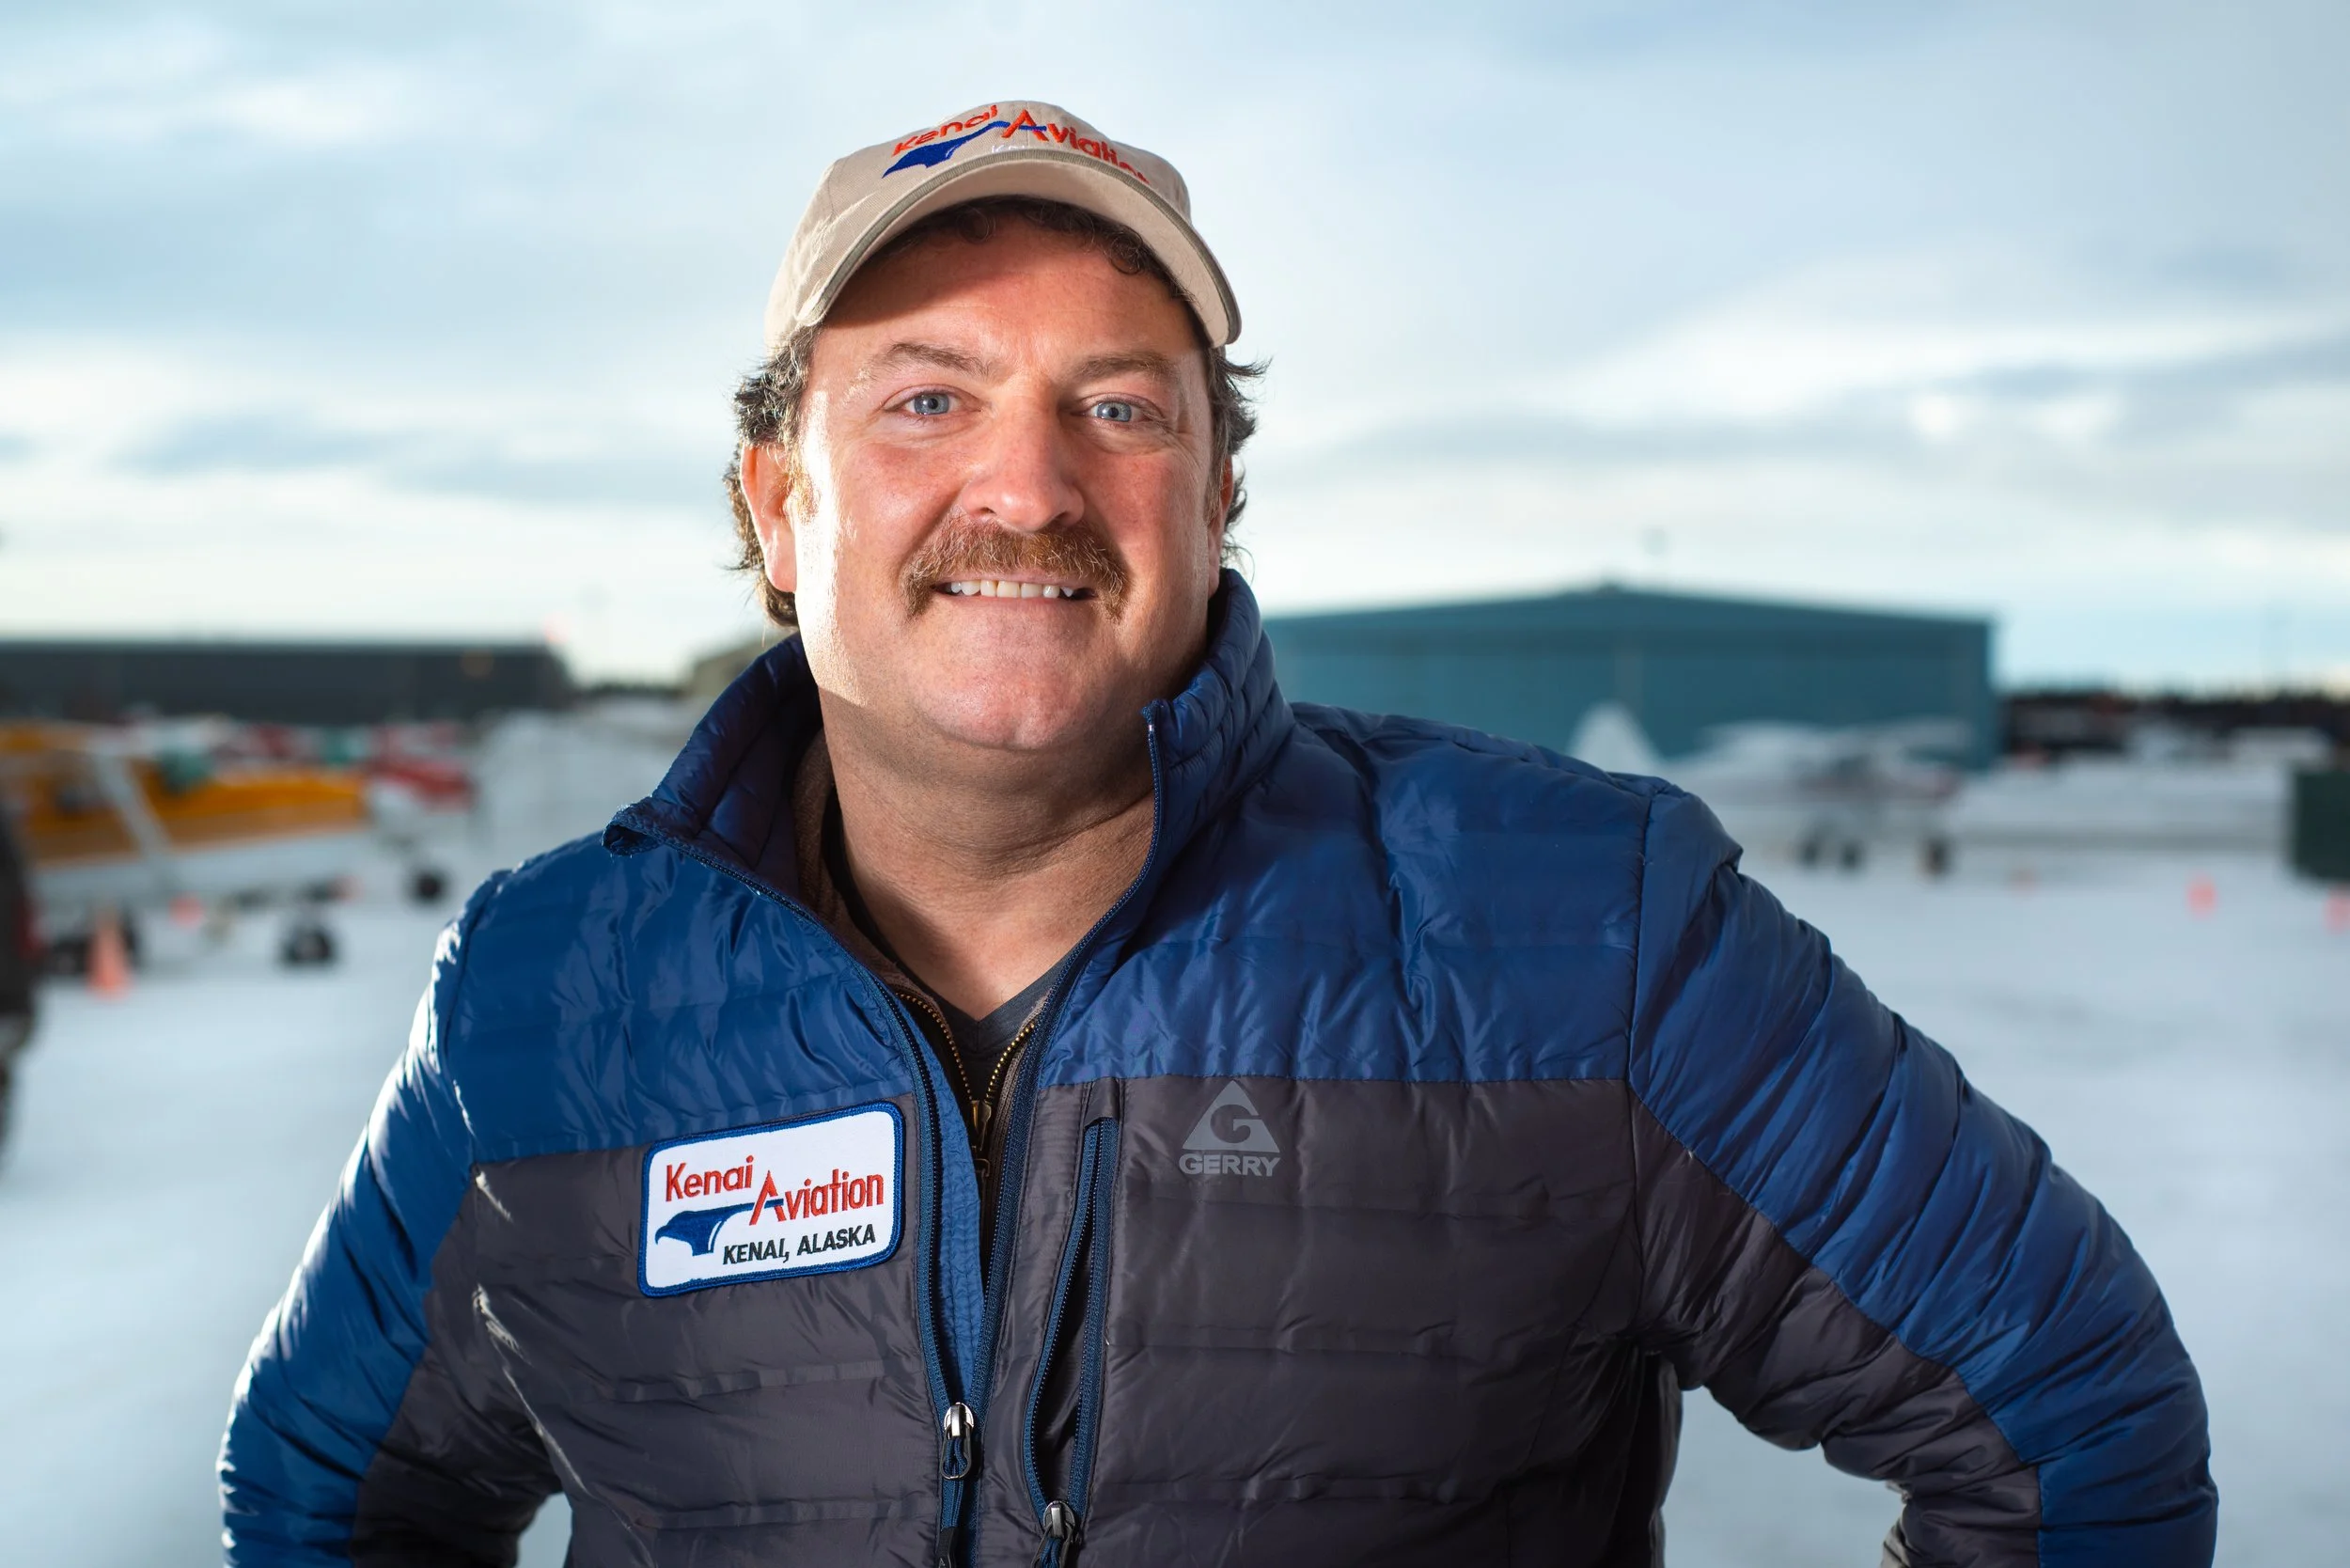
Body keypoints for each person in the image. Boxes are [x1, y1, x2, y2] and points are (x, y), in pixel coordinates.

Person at [221, 100, 2215, 1567]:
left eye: (1119, 406)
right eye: (922, 401)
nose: (1027, 483)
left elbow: (2067, 1424)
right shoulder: (546, 994)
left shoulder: (1579, 931)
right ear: (775, 502)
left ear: (1216, 494)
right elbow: (333, 1501)